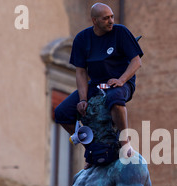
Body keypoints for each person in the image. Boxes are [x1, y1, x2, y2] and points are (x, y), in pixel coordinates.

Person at [54, 2, 143, 161]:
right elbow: (80, 71)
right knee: (61, 112)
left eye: (112, 17)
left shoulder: (120, 32)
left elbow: (136, 62)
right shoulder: (82, 39)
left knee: (115, 99)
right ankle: (92, 148)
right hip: (95, 85)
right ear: (94, 21)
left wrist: (122, 80)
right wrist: (82, 98)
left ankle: (124, 143)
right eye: (105, 18)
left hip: (120, 82)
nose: (111, 21)